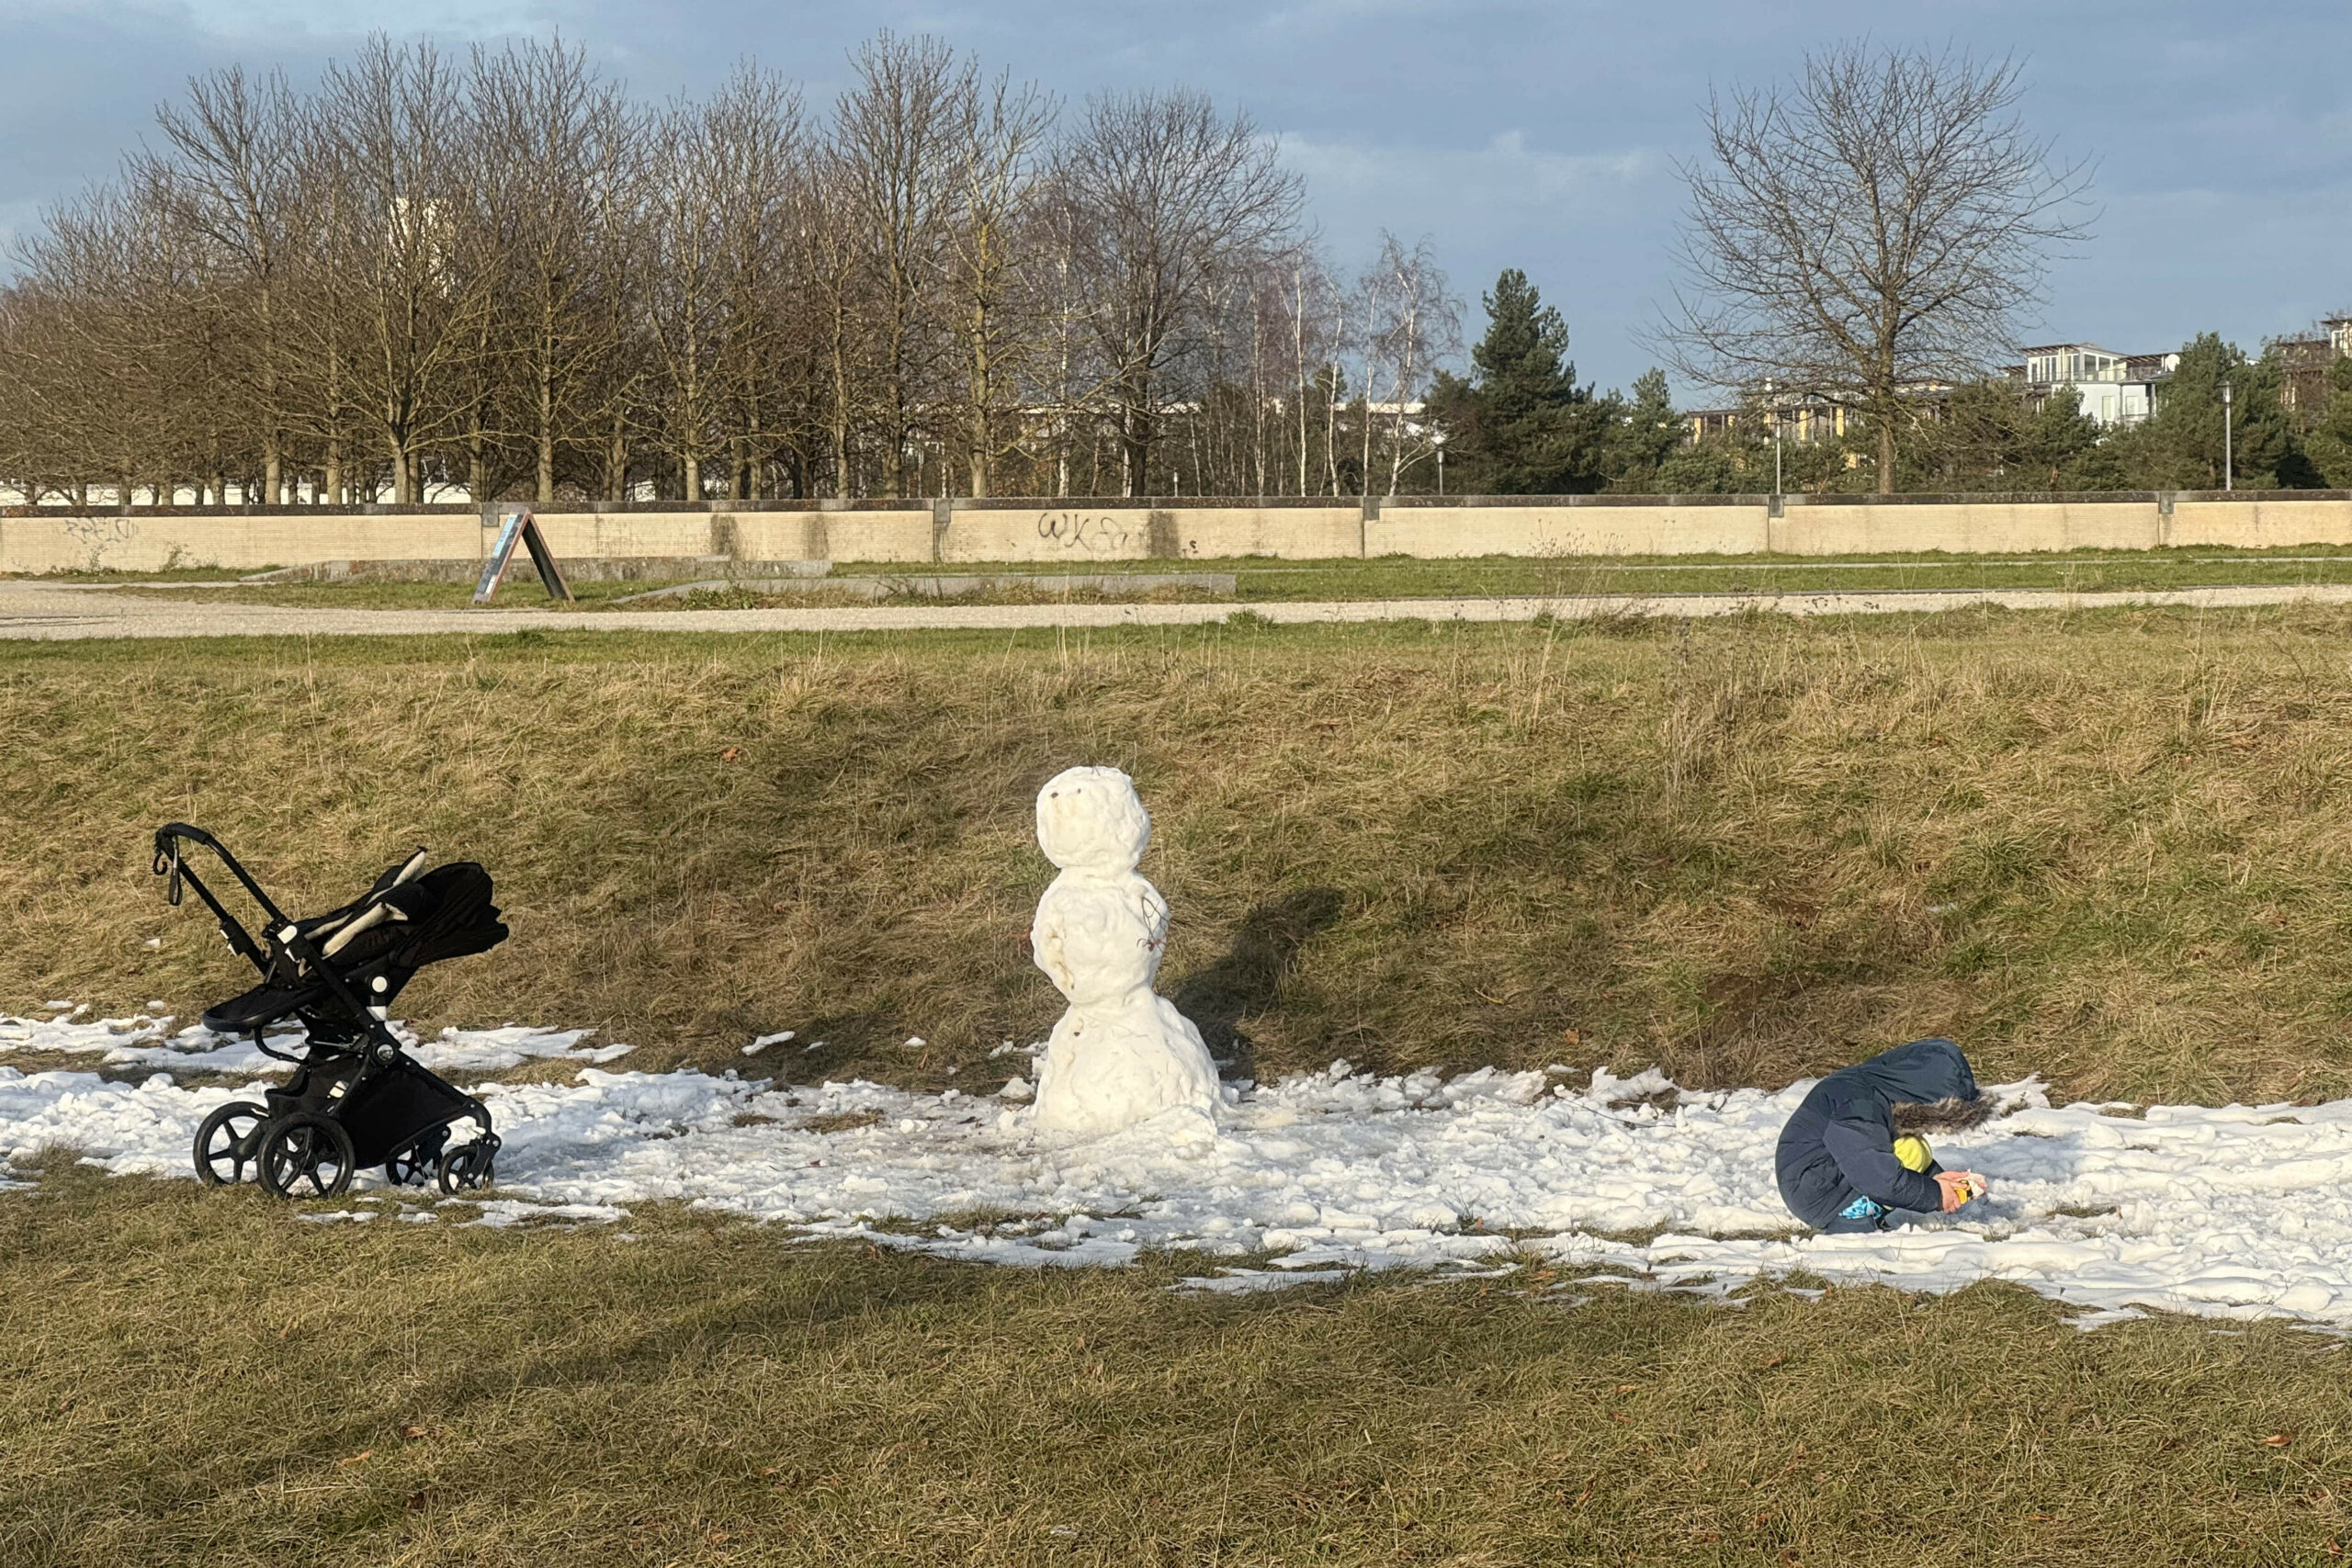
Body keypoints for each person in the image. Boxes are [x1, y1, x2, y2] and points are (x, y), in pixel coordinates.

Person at [1774, 1038, 1990, 1234]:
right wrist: (1935, 1195)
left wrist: (1935, 1178)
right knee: (1910, 1150)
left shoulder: (1875, 1088)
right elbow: (1877, 1176)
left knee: (1913, 1146)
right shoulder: (1857, 1106)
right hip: (1816, 1192)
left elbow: (1874, 1151)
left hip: (1825, 1174)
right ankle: (1850, 1218)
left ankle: (1856, 1208)